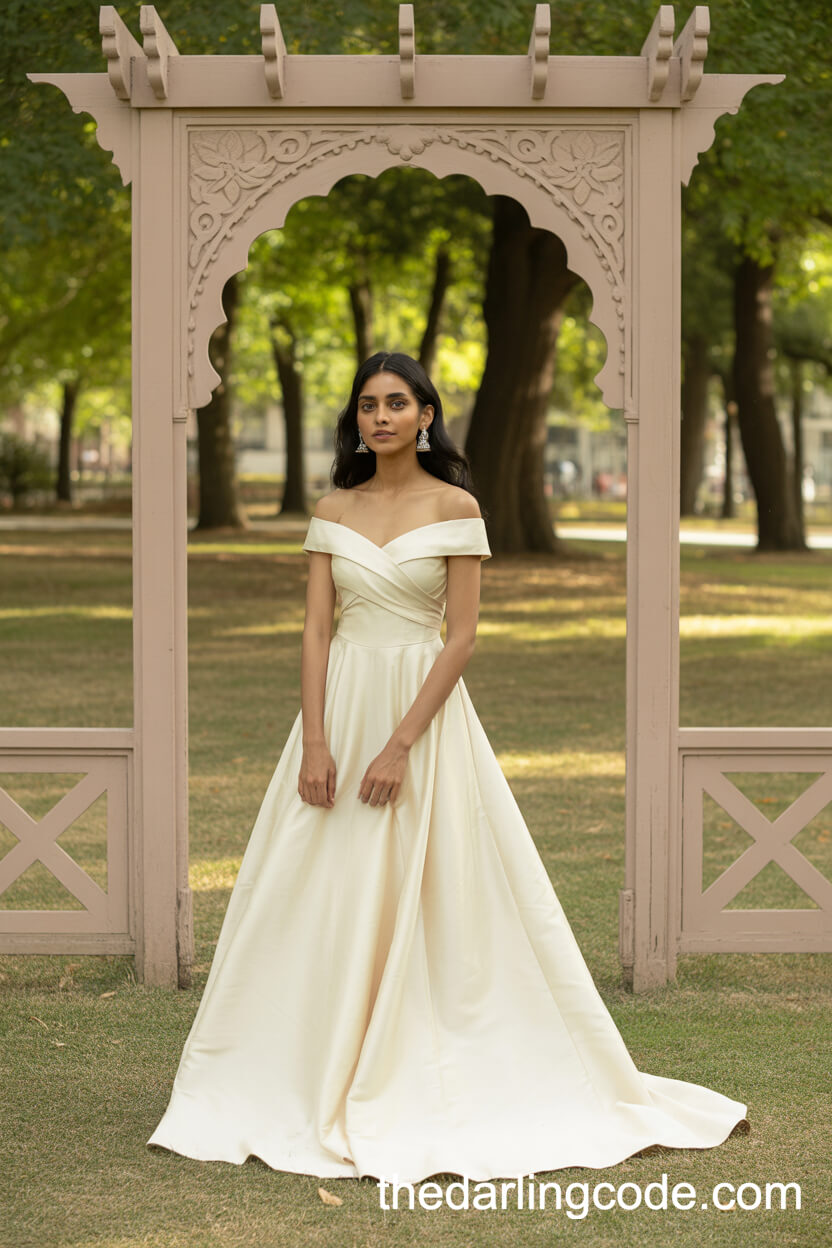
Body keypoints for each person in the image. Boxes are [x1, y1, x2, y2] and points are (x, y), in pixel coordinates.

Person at [147, 350, 748, 1184]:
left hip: (421, 718)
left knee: (440, 886)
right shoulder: (331, 509)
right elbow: (317, 631)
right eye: (367, 405)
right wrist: (317, 740)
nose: (380, 417)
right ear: (356, 419)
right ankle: (295, 1063)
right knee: (310, 881)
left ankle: (428, 1053)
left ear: (427, 414)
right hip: (341, 708)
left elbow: (461, 636)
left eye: (397, 403)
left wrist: (399, 744)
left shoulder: (457, 506)